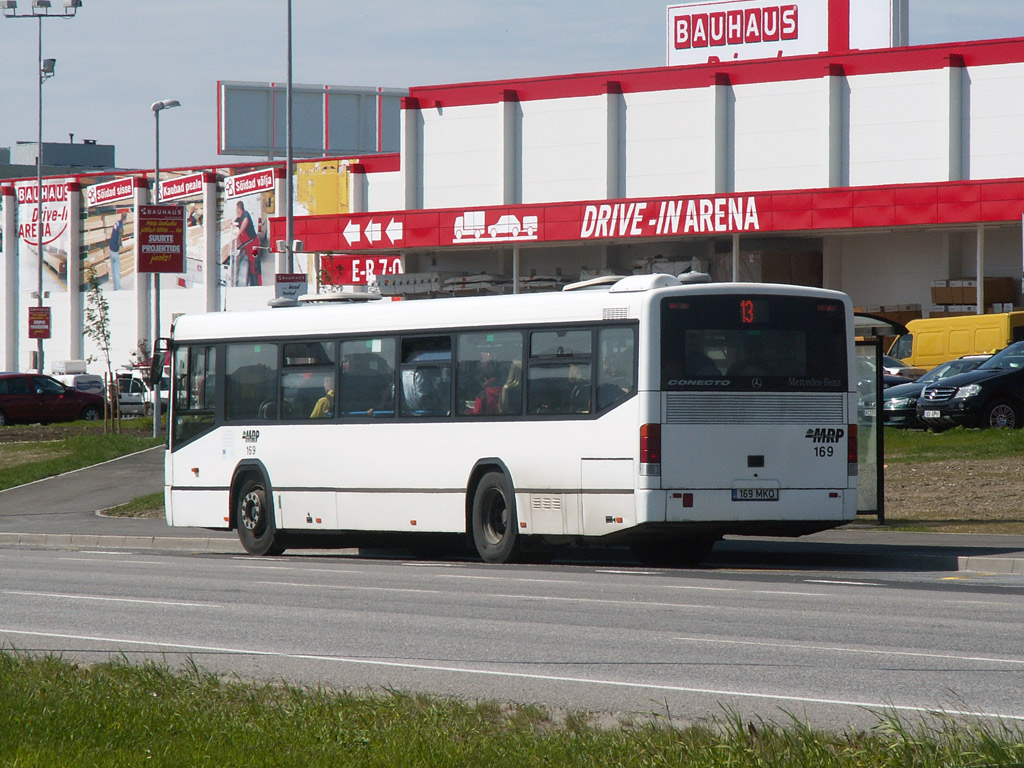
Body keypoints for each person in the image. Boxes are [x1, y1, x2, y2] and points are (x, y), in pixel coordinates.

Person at [233, 201, 260, 287]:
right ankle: (252, 283)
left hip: (254, 245)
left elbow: (245, 221)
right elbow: (233, 224)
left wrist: (239, 233)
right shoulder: (239, 218)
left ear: (239, 208)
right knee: (251, 265)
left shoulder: (245, 214)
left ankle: (257, 284)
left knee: (255, 263)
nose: (236, 211)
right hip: (247, 246)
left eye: (236, 209)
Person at [108, 210, 127, 290]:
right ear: (125, 219)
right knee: (117, 269)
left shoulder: (117, 223)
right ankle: (117, 288)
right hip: (115, 250)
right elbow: (119, 239)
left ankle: (115, 286)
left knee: (113, 269)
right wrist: (121, 245)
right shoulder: (121, 227)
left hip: (111, 248)